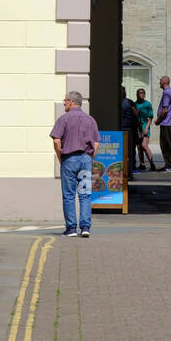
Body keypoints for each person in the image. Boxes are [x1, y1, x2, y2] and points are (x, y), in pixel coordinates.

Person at [50, 90, 100, 237]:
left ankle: (71, 228)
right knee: (85, 194)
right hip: (85, 159)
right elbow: (96, 143)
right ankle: (85, 228)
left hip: (69, 160)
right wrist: (89, 158)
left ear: (71, 102)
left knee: (69, 195)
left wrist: (61, 157)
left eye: (65, 100)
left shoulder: (63, 119)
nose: (64, 102)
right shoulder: (90, 120)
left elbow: (56, 140)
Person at [156, 75, 171, 170]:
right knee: (166, 144)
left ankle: (169, 165)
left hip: (167, 123)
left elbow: (165, 110)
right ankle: (168, 165)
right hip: (168, 123)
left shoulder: (167, 93)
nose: (159, 83)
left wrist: (158, 120)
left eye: (160, 81)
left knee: (166, 145)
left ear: (164, 82)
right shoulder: (169, 91)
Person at [134, 88, 156, 171]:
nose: (142, 94)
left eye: (143, 93)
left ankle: (152, 164)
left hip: (144, 125)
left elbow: (150, 117)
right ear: (137, 94)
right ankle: (142, 164)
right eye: (140, 93)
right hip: (137, 127)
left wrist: (146, 127)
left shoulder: (147, 104)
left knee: (144, 145)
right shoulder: (135, 104)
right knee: (139, 146)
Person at [121, 87, 137, 175]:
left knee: (122, 151)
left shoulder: (116, 102)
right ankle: (130, 171)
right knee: (130, 151)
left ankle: (124, 171)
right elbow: (136, 113)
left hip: (120, 129)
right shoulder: (129, 102)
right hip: (129, 129)